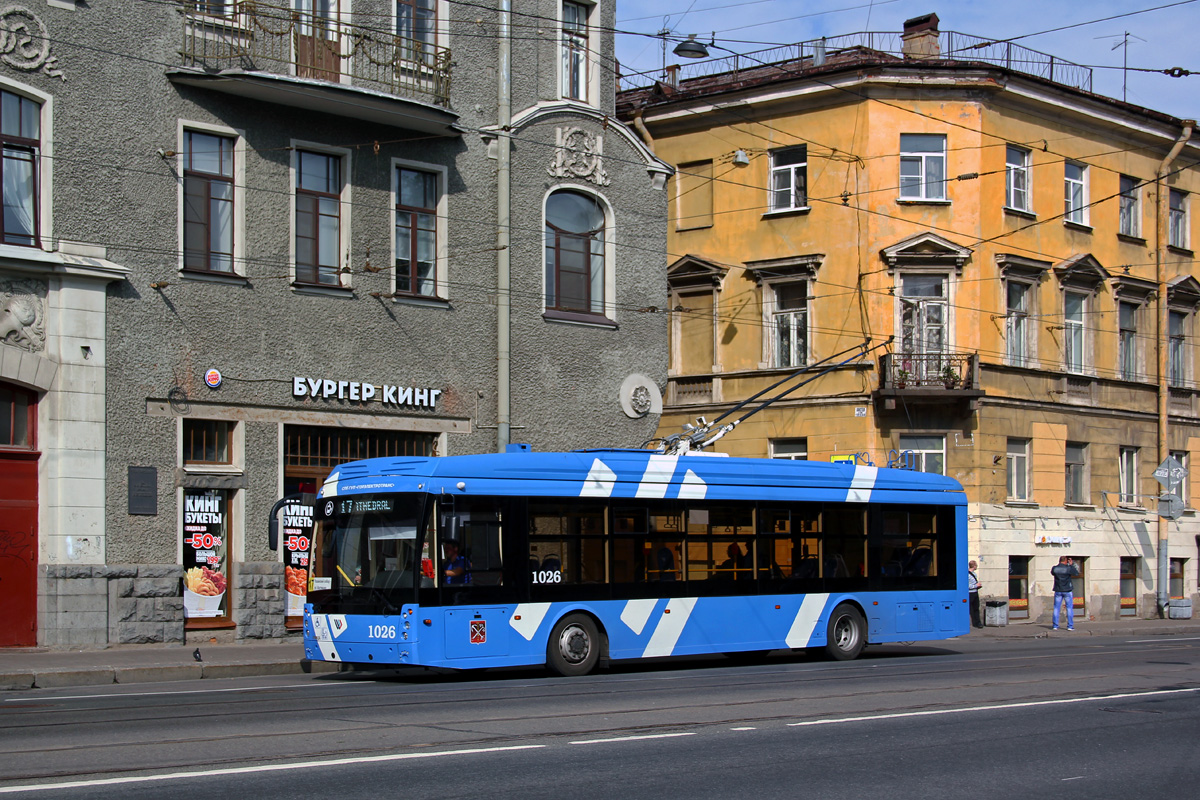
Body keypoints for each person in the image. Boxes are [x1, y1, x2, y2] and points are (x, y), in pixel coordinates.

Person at [1050, 555, 1080, 631]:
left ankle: (1055, 626)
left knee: (1056, 608)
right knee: (1069, 608)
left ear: (1059, 560)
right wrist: (1071, 565)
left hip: (1058, 590)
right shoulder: (1068, 568)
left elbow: (1052, 573)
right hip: (1067, 590)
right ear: (1066, 561)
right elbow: (1076, 573)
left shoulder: (1055, 568)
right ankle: (1070, 626)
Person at [967, 560, 982, 628]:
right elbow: (967, 586)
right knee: (970, 609)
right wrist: (976, 586)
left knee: (976, 608)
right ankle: (972, 622)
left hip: (975, 592)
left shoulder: (974, 574)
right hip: (970, 593)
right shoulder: (967, 574)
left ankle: (977, 623)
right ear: (974, 566)